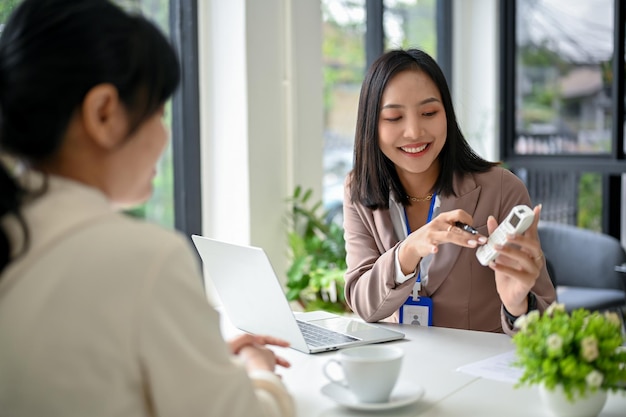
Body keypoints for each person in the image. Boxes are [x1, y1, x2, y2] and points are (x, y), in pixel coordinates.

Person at [0, 1, 294, 416]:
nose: (164, 135)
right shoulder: (143, 259)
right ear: (103, 113)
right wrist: (258, 370)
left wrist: (193, 365)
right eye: (158, 112)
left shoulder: (18, 230)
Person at [343, 48, 556, 335]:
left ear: (447, 114)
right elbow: (363, 303)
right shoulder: (359, 190)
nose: (414, 132)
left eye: (429, 112)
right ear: (371, 124)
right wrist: (409, 250)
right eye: (394, 118)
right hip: (405, 369)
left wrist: (518, 306)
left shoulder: (503, 189)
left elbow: (549, 323)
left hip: (477, 372)